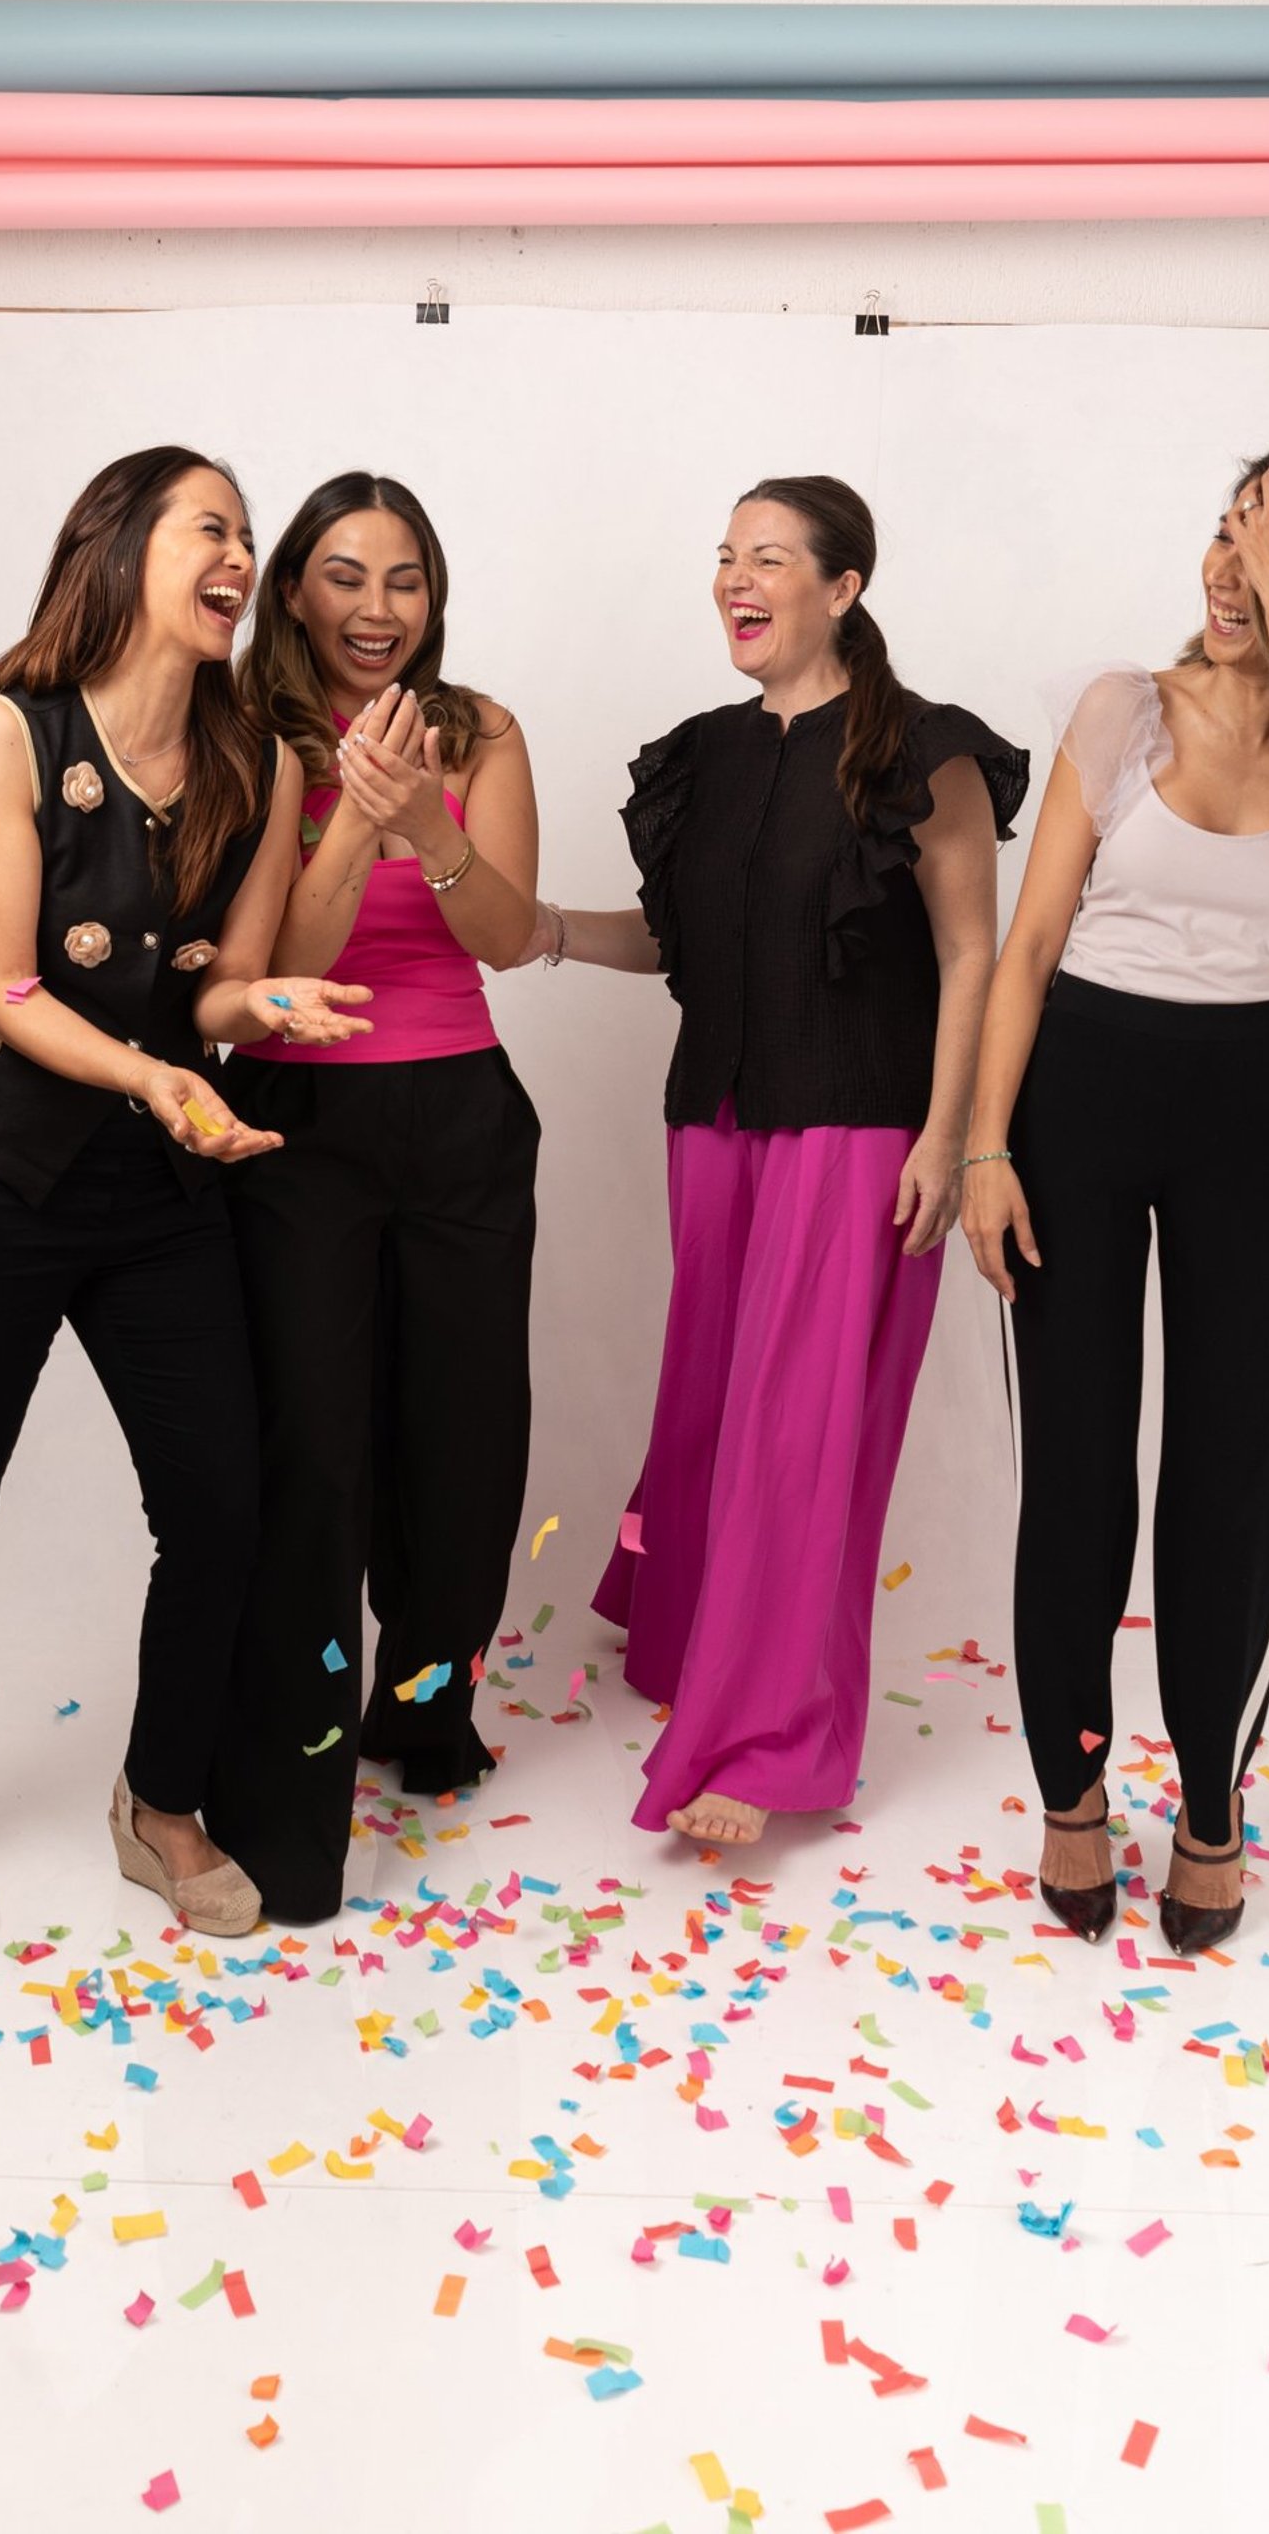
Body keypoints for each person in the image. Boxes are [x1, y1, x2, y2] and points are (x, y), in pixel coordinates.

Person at [0, 447, 369, 1942]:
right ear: (121, 546)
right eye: (210, 527)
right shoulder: (1, 739)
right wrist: (156, 1078)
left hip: (151, 1198)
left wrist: (254, 1011)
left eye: (246, 535)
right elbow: (11, 991)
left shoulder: (260, 760)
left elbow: (204, 992)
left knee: (220, 1503)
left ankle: (159, 1802)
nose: (240, 556)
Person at [961, 438, 1269, 1955]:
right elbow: (1029, 947)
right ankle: (1072, 1794)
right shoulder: (1120, 710)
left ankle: (1214, 1805)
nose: (1230, 575)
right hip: (1081, 1095)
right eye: (1226, 538)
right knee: (1081, 1468)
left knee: (1229, 1479)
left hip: (1261, 1111)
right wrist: (986, 1146)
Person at [525, 475, 1028, 1847]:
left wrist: (947, 1136)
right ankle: (697, 1649)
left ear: (843, 588)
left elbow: (973, 952)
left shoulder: (928, 753)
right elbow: (676, 941)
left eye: (768, 559)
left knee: (800, 1442)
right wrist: (550, 930)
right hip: (716, 1125)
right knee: (707, 1408)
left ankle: (774, 1740)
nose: (734, 581)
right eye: (724, 557)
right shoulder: (704, 753)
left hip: (864, 1133)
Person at [201, 472, 540, 1923]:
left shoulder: (480, 732)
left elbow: (514, 935)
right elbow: (276, 976)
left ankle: (423, 1701)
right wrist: (353, 820)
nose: (377, 609)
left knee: (461, 1438)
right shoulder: (255, 741)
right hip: (308, 1117)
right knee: (322, 1444)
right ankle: (301, 1753)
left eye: (405, 582)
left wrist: (431, 825)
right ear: (294, 590)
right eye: (346, 577)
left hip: (464, 1112)